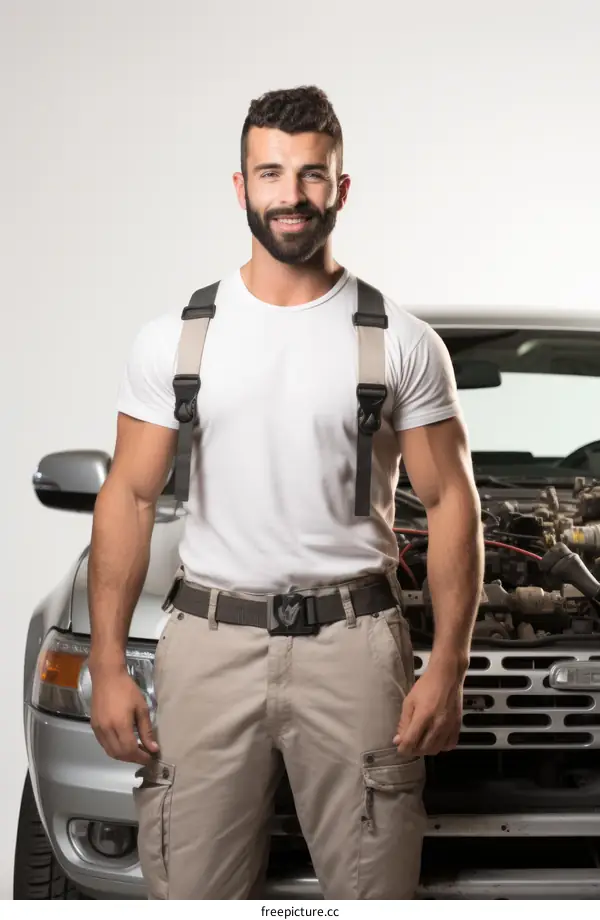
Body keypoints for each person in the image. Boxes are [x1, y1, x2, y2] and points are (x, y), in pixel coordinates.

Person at [87, 85, 484, 900]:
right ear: (241, 188)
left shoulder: (401, 341)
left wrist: (448, 662)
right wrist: (106, 660)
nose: (291, 196)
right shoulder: (176, 339)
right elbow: (127, 497)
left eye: (311, 175)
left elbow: (451, 504)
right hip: (206, 645)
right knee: (192, 892)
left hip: (355, 645)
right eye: (271, 174)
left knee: (373, 894)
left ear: (341, 188)